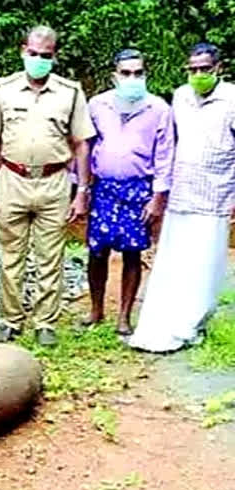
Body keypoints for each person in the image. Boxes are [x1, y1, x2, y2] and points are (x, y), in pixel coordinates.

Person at [0, 25, 96, 346]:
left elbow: (82, 143)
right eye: (33, 54)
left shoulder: (70, 92)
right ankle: (10, 319)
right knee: (10, 256)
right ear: (22, 50)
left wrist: (82, 191)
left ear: (54, 55)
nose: (39, 60)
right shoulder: (2, 89)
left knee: (50, 256)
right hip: (12, 179)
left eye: (46, 55)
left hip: (54, 182)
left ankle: (46, 323)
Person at [129, 43, 235, 353]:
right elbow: (169, 144)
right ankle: (162, 323)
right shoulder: (180, 97)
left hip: (216, 193)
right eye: (193, 69)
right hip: (180, 192)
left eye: (205, 68)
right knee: (174, 262)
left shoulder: (232, 98)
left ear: (219, 68)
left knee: (205, 264)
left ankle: (192, 325)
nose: (199, 74)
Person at [84, 49, 174, 335]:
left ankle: (124, 316)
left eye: (138, 73)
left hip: (139, 190)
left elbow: (165, 156)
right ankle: (96, 310)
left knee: (132, 253)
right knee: (97, 251)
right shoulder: (98, 105)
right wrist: (82, 189)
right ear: (114, 76)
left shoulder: (159, 109)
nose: (132, 78)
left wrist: (158, 198)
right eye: (126, 73)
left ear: (146, 75)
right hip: (104, 188)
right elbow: (85, 146)